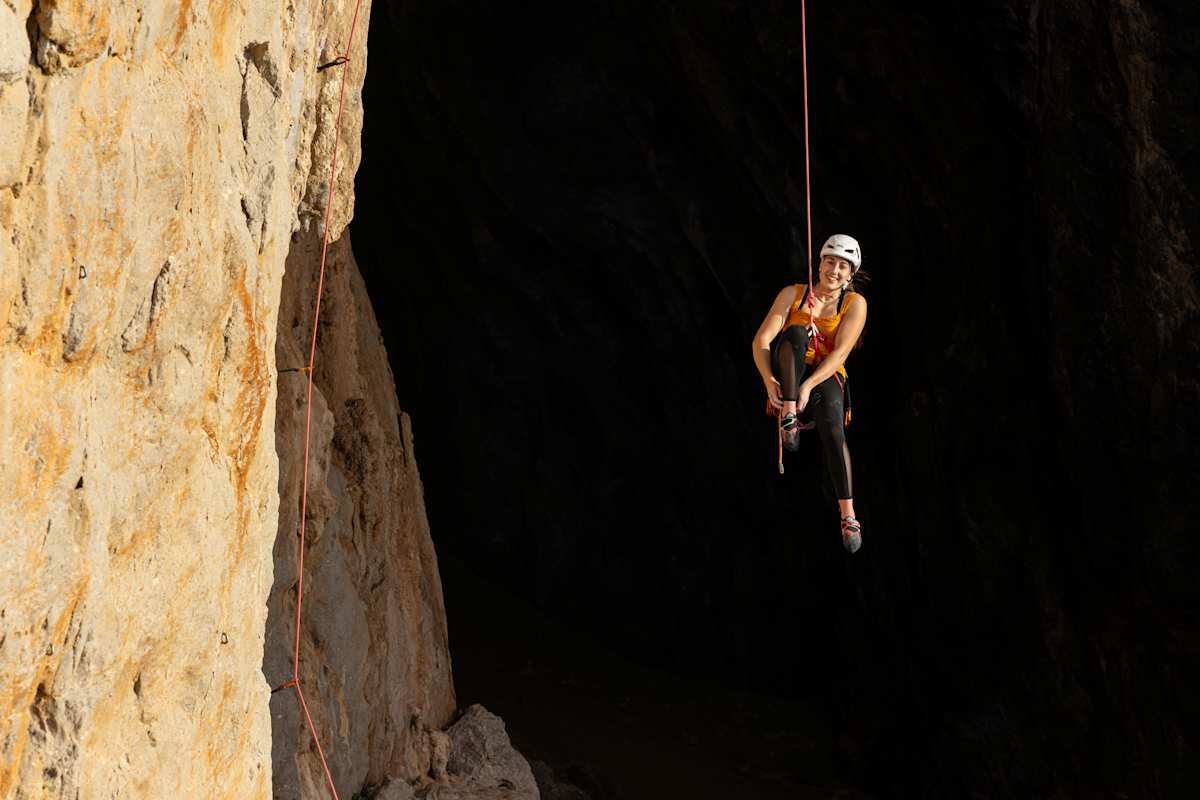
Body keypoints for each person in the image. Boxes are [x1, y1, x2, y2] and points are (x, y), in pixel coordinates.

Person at [752, 234, 868, 553]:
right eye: (829, 262)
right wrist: (769, 381)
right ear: (819, 264)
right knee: (795, 331)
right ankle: (788, 415)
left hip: (825, 372)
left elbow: (840, 353)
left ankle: (848, 514)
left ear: (850, 274)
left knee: (833, 427)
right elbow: (762, 341)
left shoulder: (854, 304)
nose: (834, 271)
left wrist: (809, 385)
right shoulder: (794, 294)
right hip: (792, 365)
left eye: (842, 266)